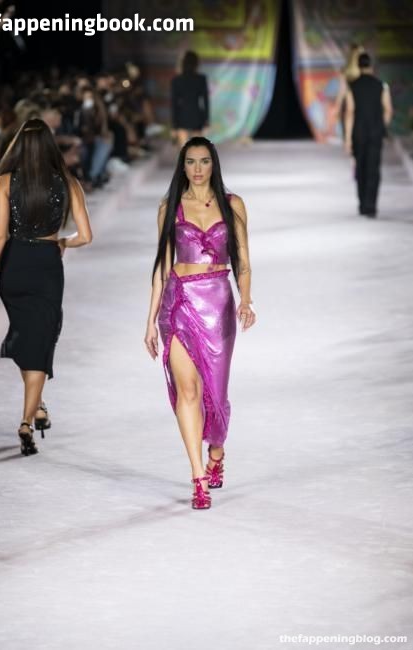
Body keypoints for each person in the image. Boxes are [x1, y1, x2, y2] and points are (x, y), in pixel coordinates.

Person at [144, 136, 256, 510]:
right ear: (182, 166)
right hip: (178, 302)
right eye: (190, 161)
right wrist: (150, 320)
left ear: (213, 164)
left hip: (218, 303)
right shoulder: (170, 207)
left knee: (216, 395)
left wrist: (246, 299)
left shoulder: (233, 204)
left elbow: (243, 260)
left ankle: (217, 450)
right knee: (188, 391)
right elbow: (162, 265)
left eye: (204, 161)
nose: (197, 169)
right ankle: (198, 477)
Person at [0, 118, 93, 456]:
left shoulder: (5, 181)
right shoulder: (67, 182)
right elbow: (86, 235)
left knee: (27, 338)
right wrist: (63, 242)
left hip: (13, 267)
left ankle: (38, 405)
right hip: (46, 265)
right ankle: (26, 422)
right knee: (40, 341)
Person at [345, 52, 393, 217]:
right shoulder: (381, 86)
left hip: (358, 133)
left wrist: (347, 139)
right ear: (371, 66)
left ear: (359, 66)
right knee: (374, 169)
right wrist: (381, 126)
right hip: (375, 133)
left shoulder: (352, 86)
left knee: (361, 168)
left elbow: (350, 112)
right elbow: (388, 110)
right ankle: (371, 205)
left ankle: (362, 204)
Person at [171, 51, 209, 149]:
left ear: (183, 63)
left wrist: (174, 125)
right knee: (197, 149)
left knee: (183, 150)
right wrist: (206, 121)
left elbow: (174, 104)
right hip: (197, 115)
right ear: (196, 63)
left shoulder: (176, 80)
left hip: (182, 116)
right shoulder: (201, 79)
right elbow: (205, 101)